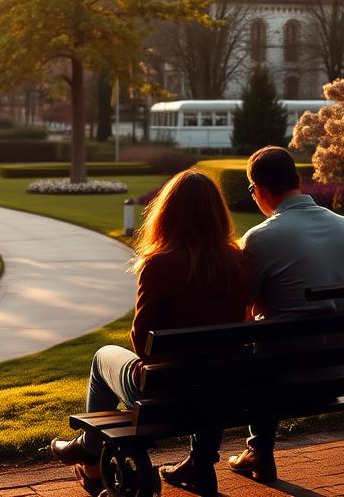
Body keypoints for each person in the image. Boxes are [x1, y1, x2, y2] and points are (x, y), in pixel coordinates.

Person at [49, 169, 251, 497]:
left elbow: (142, 343)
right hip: (222, 389)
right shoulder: (239, 260)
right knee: (210, 373)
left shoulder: (160, 264)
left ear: (168, 213)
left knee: (103, 358)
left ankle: (89, 450)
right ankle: (200, 463)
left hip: (165, 393)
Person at [226, 146, 344, 484]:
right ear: (298, 181)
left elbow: (239, 309)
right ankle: (258, 449)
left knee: (253, 346)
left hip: (284, 377)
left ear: (259, 189)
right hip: (337, 369)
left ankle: (258, 449)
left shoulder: (261, 237)